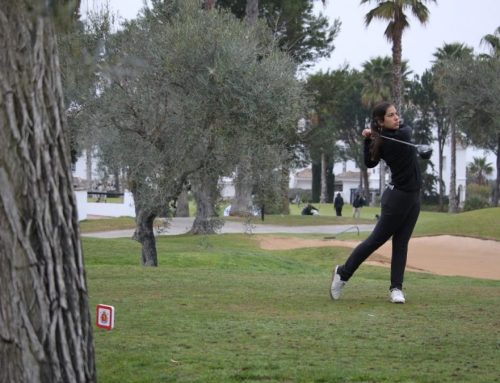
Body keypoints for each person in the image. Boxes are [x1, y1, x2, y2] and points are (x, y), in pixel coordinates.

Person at [330, 101, 422, 304]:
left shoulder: (385, 138)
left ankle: (396, 288)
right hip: (397, 199)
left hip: (413, 198)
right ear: (380, 121)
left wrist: (370, 138)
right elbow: (371, 161)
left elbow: (370, 160)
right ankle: (342, 273)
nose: (397, 117)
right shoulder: (397, 137)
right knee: (374, 242)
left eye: (396, 114)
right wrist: (371, 139)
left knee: (401, 244)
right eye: (391, 115)